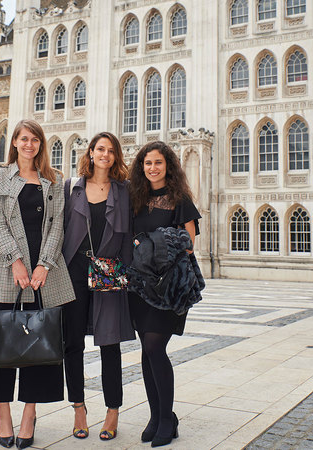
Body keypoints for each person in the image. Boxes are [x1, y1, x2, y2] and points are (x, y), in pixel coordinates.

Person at [0, 119, 75, 449]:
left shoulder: (53, 179)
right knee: (0, 346)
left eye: (35, 140)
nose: (29, 144)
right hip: (5, 271)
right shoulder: (1, 176)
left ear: (41, 144)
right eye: (23, 139)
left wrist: (44, 265)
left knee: (39, 348)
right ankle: (4, 415)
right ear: (14, 142)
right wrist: (15, 259)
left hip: (45, 275)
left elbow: (57, 226)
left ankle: (29, 415)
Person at [128, 141, 201, 448]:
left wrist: (152, 245)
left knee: (155, 346)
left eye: (158, 162)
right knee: (146, 350)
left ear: (168, 165)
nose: (153, 168)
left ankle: (167, 418)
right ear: (141, 167)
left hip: (169, 286)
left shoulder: (179, 198)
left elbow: (189, 243)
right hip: (140, 285)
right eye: (148, 163)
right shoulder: (135, 197)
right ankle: (156, 416)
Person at [63, 131, 135, 441]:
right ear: (90, 152)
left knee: (109, 343)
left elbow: (129, 235)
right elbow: (60, 230)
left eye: (111, 150)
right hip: (75, 271)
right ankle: (78, 408)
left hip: (108, 270)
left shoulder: (124, 190)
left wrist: (128, 274)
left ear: (116, 156)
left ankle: (112, 411)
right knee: (72, 343)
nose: (105, 154)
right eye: (100, 149)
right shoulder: (71, 187)